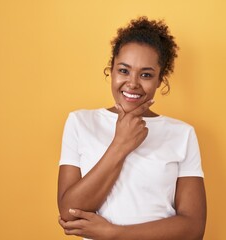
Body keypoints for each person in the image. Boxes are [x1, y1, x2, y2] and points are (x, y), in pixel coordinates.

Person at [57, 16, 206, 240]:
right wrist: (120, 144)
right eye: (124, 70)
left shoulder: (182, 134)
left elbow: (193, 228)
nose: (133, 83)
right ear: (111, 70)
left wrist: (115, 233)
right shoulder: (80, 122)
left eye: (146, 75)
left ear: (160, 80)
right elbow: (69, 213)